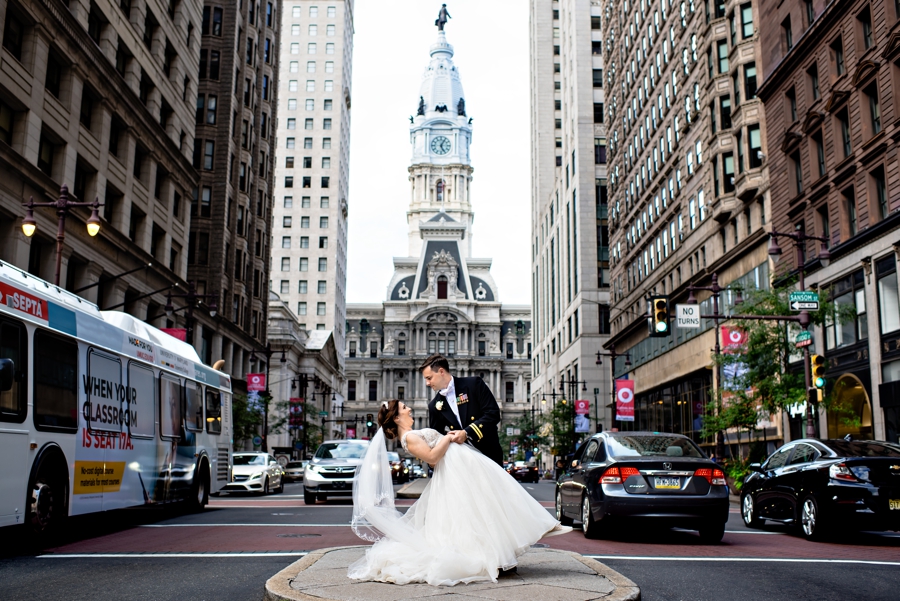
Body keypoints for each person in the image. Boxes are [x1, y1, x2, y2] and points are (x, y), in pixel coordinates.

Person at [348, 400, 571, 586]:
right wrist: (448, 437)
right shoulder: (409, 438)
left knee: (488, 502)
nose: (409, 409)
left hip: (462, 466)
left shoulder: (413, 434)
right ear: (396, 418)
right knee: (474, 510)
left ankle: (535, 528)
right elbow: (433, 457)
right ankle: (516, 540)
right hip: (455, 470)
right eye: (404, 407)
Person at [421, 354, 503, 466]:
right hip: (462, 463)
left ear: (441, 372)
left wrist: (467, 433)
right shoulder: (434, 406)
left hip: (489, 456)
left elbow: (493, 414)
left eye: (429, 378)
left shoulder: (474, 384)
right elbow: (436, 439)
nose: (427, 383)